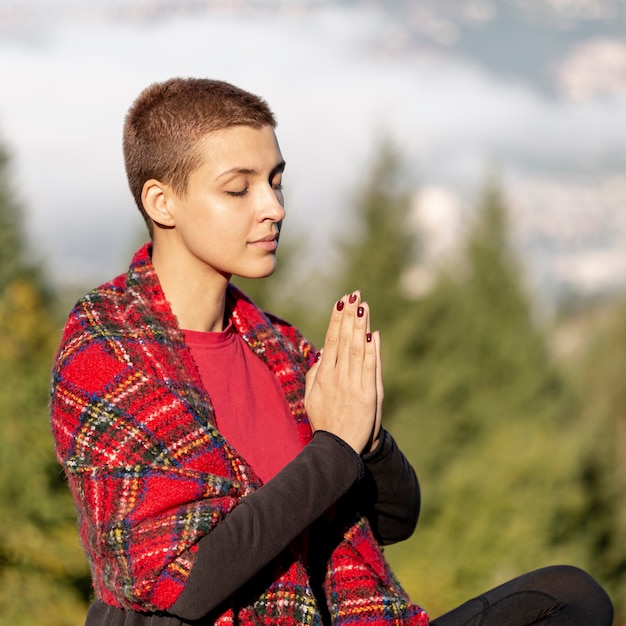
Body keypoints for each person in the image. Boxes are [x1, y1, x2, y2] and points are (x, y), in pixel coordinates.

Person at [50, 78, 613, 626]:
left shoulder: (279, 348)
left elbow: (393, 518)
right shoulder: (107, 349)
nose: (273, 207)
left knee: (568, 597)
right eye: (239, 188)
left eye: (275, 181)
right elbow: (185, 582)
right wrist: (335, 447)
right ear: (162, 201)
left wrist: (366, 438)